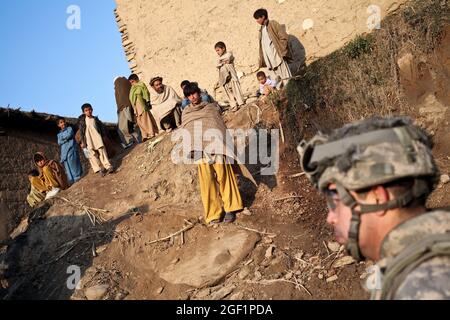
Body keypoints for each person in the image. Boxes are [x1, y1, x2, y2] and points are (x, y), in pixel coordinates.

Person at [298, 116, 450, 300]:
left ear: (378, 198)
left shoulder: (423, 286)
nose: (330, 217)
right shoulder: (418, 263)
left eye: (335, 198)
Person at [181, 83, 256, 225]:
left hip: (216, 148)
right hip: (199, 152)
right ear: (187, 97)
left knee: (224, 177)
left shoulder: (210, 108)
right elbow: (187, 132)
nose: (193, 97)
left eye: (194, 93)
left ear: (199, 92)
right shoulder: (186, 113)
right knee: (207, 182)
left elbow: (218, 127)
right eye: (189, 95)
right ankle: (213, 213)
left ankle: (231, 207)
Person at [254, 8, 293, 88]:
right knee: (276, 82)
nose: (257, 21)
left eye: (258, 18)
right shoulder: (261, 30)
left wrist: (283, 51)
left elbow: (283, 37)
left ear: (263, 17)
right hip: (270, 62)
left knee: (287, 79)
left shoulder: (273, 24)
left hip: (278, 58)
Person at [78, 103, 114, 177]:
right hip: (88, 140)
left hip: (97, 138)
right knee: (92, 155)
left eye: (90, 109)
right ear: (83, 112)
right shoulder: (82, 122)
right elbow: (81, 133)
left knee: (102, 151)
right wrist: (82, 142)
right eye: (86, 110)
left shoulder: (96, 119)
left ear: (92, 109)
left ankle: (108, 166)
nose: (89, 111)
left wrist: (104, 137)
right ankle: (100, 168)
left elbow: (102, 129)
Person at [215, 42, 245, 112]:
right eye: (216, 51)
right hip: (224, 79)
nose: (217, 52)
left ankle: (241, 103)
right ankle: (234, 105)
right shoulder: (219, 58)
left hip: (232, 77)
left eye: (218, 50)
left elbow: (228, 58)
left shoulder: (229, 54)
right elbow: (217, 64)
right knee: (229, 93)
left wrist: (221, 62)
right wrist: (222, 62)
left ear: (223, 48)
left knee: (236, 90)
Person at [128, 74, 159, 142]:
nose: (132, 84)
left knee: (146, 119)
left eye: (132, 81)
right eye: (130, 83)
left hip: (142, 105)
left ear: (136, 80)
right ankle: (145, 135)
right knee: (139, 121)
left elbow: (145, 93)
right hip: (136, 107)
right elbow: (131, 98)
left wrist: (147, 101)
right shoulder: (132, 89)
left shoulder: (141, 85)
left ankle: (151, 133)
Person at [56, 117, 83, 184]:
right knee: (67, 165)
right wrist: (65, 139)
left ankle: (77, 177)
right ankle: (71, 179)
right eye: (61, 123)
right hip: (64, 151)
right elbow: (59, 142)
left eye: (63, 122)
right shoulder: (59, 134)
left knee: (73, 163)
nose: (63, 123)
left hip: (71, 148)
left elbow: (69, 135)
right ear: (58, 125)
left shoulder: (69, 129)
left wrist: (63, 139)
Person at [114, 76, 137, 148]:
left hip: (123, 107)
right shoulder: (127, 83)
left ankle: (129, 141)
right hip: (131, 105)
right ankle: (137, 138)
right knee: (133, 123)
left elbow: (120, 99)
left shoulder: (118, 84)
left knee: (122, 127)